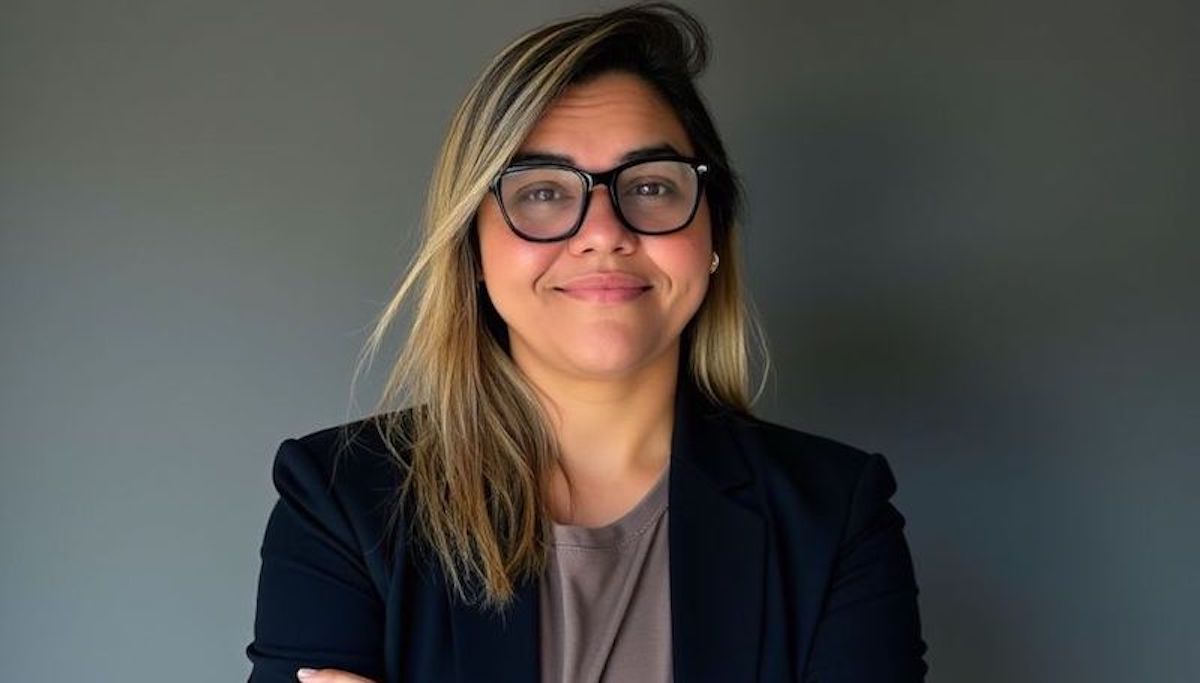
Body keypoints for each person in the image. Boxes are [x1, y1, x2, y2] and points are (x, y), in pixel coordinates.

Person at [246, 3, 928, 681]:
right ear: (473, 248)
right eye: (543, 192)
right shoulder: (339, 500)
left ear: (712, 235)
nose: (603, 232)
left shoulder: (836, 515)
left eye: (651, 185)